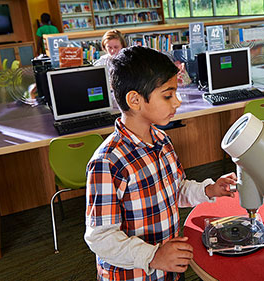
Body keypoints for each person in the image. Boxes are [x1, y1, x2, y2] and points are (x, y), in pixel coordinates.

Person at [84, 45, 237, 281]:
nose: (177, 102)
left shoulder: (161, 140)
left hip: (168, 268)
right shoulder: (108, 162)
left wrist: (209, 190)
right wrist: (153, 256)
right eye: (167, 95)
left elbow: (174, 191)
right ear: (135, 100)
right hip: (135, 275)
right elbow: (101, 238)